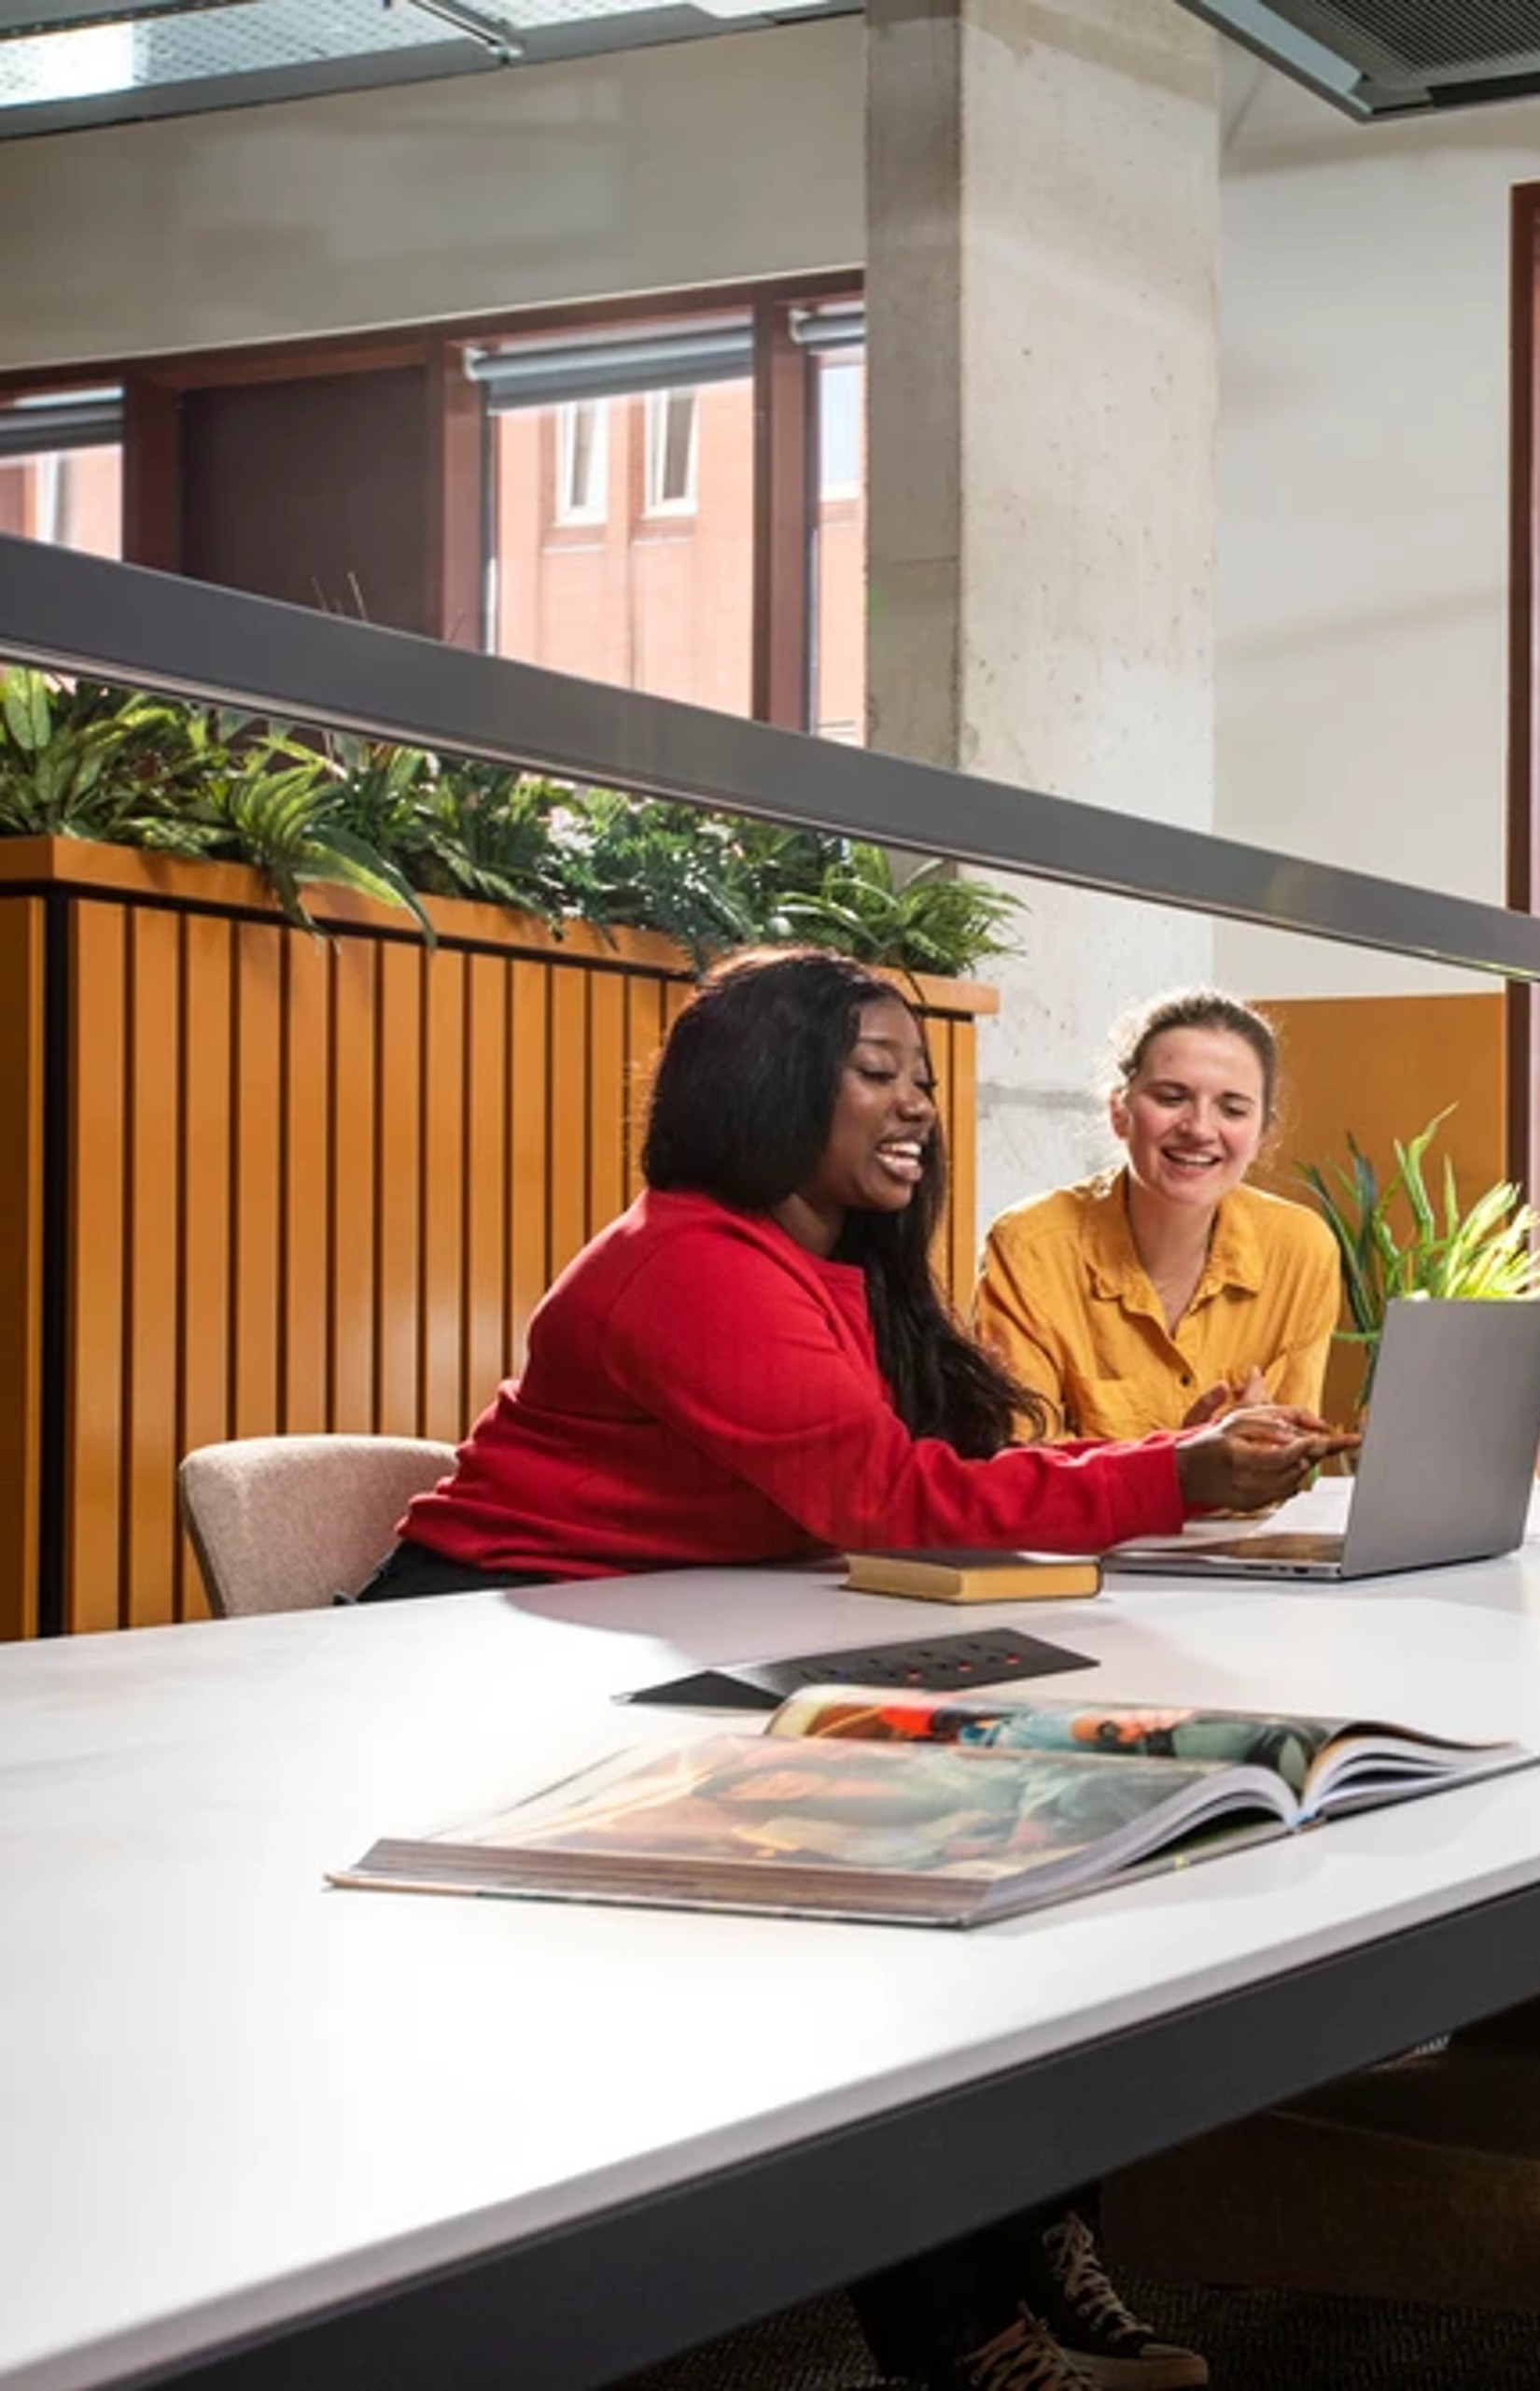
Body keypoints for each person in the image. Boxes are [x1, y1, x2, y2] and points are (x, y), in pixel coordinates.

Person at [369, 947, 1350, 2391]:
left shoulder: (819, 1263)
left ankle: (1024, 2239)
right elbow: (889, 1500)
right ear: (771, 1084)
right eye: (878, 1072)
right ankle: (968, 2336)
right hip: (491, 1654)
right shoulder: (692, 1263)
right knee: (901, 1899)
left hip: (658, 1636)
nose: (918, 1107)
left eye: (922, 1080)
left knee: (1002, 1851)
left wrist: (1168, 1461)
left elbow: (929, 1468)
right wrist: (1172, 1476)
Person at [974, 990, 1344, 1439]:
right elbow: (1022, 1460)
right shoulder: (1029, 1248)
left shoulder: (1301, 1250)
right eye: (1171, 1098)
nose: (1199, 1129)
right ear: (1120, 1111)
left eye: (1232, 1109)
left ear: (1262, 1133)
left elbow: (1295, 1448)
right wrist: (1181, 1462)